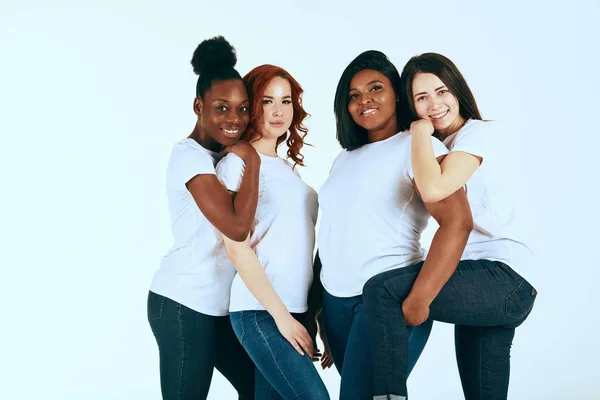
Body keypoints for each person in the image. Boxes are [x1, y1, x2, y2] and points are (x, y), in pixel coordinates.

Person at [363, 52, 537, 400]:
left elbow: (434, 188)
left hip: (503, 277)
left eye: (441, 91)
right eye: (421, 98)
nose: (434, 104)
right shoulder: (442, 146)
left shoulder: (480, 134)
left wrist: (418, 131)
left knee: (382, 290)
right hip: (478, 280)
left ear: (457, 90)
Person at [315, 50, 474, 400]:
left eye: (376, 88)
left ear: (397, 95)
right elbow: (332, 232)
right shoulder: (344, 158)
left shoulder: (416, 147)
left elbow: (457, 222)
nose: (364, 100)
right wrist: (320, 311)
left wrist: (421, 297)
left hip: (385, 301)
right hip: (335, 305)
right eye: (353, 95)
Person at [147, 36, 260, 400]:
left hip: (222, 308)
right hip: (183, 302)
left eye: (243, 109)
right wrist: (253, 162)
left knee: (264, 389)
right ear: (199, 106)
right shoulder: (189, 156)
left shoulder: (223, 157)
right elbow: (236, 227)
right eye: (222, 108)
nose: (235, 119)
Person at [217, 64, 330, 400]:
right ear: (251, 105)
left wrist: (314, 318)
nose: (278, 111)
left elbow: (302, 250)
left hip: (295, 309)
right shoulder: (236, 163)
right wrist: (282, 319)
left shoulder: (288, 169)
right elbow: (237, 249)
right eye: (267, 101)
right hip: (259, 311)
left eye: (286, 101)